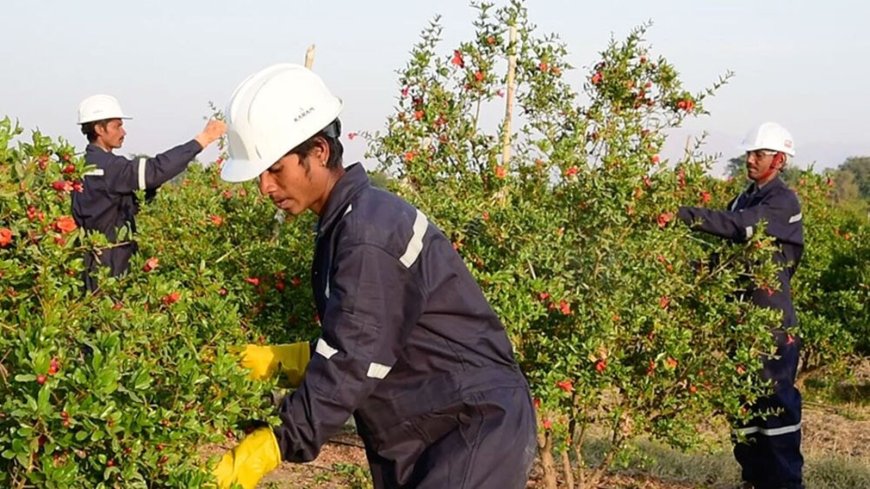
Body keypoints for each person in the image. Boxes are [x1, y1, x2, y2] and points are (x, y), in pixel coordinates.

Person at [212, 63, 537, 489]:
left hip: (469, 425)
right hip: (432, 424)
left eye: (275, 170)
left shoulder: (367, 232)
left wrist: (272, 444)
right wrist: (283, 362)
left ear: (319, 152)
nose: (266, 188)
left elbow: (355, 357)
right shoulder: (349, 223)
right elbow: (370, 336)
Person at [677, 122, 804, 489]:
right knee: (745, 405)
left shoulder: (783, 202)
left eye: (758, 154)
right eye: (749, 153)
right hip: (742, 321)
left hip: (772, 322)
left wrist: (684, 215)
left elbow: (740, 227)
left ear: (778, 160)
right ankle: (753, 478)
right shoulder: (742, 199)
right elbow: (729, 257)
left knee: (775, 406)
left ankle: (784, 483)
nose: (750, 159)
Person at [73, 94, 226, 290]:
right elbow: (155, 170)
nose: (123, 131)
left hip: (88, 262)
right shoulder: (110, 168)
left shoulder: (83, 166)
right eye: (117, 126)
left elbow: (131, 198)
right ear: (99, 129)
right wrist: (202, 140)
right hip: (111, 264)